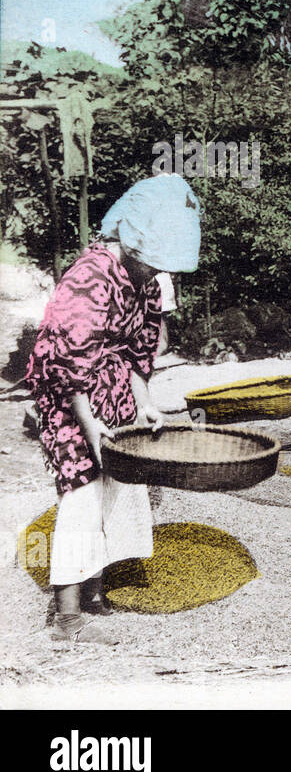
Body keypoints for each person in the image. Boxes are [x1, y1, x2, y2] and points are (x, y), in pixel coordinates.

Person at [26, 173, 201, 645]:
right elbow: (71, 362)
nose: (155, 273)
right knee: (82, 491)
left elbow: (141, 350)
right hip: (70, 397)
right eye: (150, 263)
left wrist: (143, 405)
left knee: (122, 485)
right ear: (130, 241)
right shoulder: (89, 277)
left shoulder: (146, 281)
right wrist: (94, 428)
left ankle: (96, 591)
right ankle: (67, 620)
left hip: (116, 388)